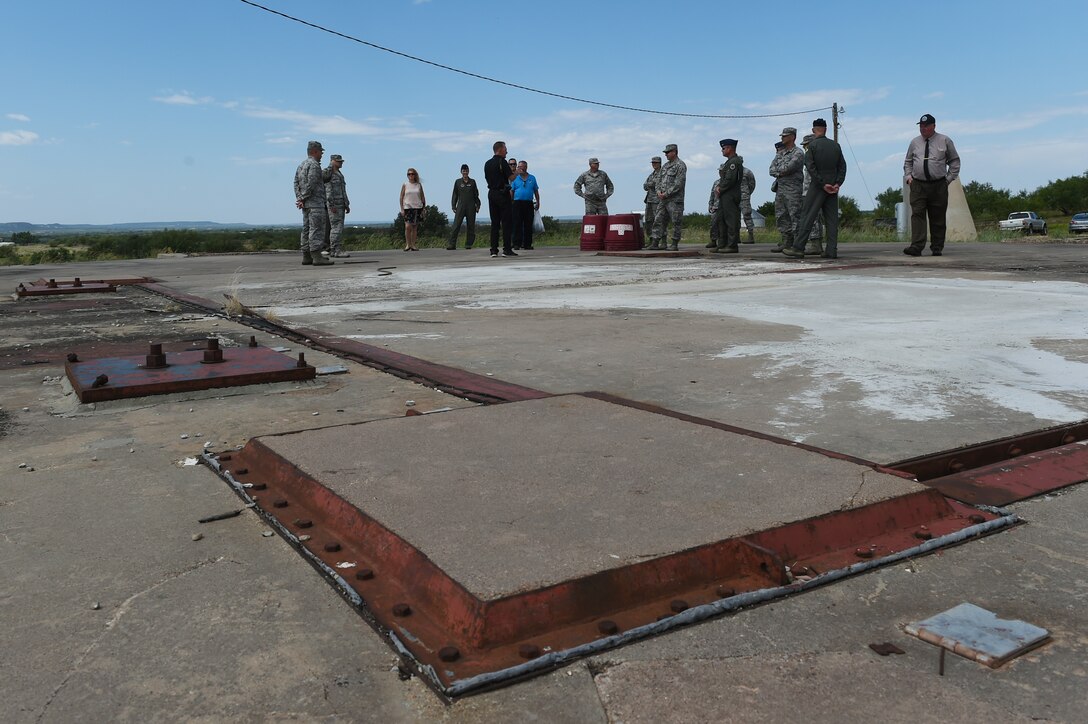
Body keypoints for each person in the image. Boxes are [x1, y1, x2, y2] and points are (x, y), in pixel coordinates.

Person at [783, 118, 847, 259]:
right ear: (826, 129)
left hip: (818, 187)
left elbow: (810, 167)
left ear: (813, 130)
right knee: (831, 220)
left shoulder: (812, 146)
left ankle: (798, 248)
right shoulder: (835, 146)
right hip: (833, 188)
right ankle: (831, 250)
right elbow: (842, 167)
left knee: (807, 216)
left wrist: (823, 184)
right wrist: (837, 183)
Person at [903, 113, 961, 257]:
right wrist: (909, 177)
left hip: (938, 185)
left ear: (934, 126)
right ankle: (916, 247)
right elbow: (908, 161)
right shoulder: (914, 142)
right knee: (917, 215)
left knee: (938, 217)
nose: (923, 129)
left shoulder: (945, 140)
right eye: (921, 126)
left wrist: (948, 179)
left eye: (926, 126)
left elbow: (954, 161)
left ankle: (937, 247)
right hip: (918, 185)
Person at [294, 140, 332, 266]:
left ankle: (306, 256)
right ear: (315, 151)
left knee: (306, 230)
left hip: (306, 205)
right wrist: (303, 198)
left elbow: (295, 183)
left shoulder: (301, 165)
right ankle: (316, 256)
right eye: (321, 151)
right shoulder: (314, 165)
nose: (322, 154)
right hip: (315, 204)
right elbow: (312, 183)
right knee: (317, 230)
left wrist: (300, 198)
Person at [768, 127, 804, 253]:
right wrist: (780, 172)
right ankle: (786, 242)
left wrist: (780, 171)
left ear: (792, 137)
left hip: (793, 190)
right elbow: (771, 169)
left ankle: (798, 245)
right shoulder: (780, 153)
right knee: (781, 216)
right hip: (780, 189)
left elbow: (788, 168)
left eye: (785, 136)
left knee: (795, 216)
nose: (782, 138)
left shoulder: (798, 153)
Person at [650, 144, 686, 250]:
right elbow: (658, 181)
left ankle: (674, 243)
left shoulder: (680, 165)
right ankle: (655, 242)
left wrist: (666, 193)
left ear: (674, 152)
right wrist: (658, 192)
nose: (666, 155)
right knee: (658, 220)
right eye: (665, 153)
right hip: (663, 199)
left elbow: (679, 183)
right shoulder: (665, 166)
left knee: (676, 221)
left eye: (668, 152)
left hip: (675, 200)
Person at [484, 141, 516, 257]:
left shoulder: (487, 163)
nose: (507, 151)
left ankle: (493, 250)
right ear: (500, 149)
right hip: (502, 194)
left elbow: (487, 178)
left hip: (491, 193)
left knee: (495, 223)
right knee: (506, 223)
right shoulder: (502, 162)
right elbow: (511, 177)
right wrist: (517, 172)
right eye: (505, 149)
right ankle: (507, 249)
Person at [712, 139, 744, 254]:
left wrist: (720, 188)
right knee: (721, 220)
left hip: (730, 194)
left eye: (724, 148)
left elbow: (730, 179)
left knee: (731, 220)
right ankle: (722, 244)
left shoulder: (734, 162)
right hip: (725, 195)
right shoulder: (729, 162)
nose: (722, 150)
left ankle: (732, 245)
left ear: (730, 148)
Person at [800, 134, 825, 256]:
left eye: (806, 145)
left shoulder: (814, 157)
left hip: (812, 191)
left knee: (813, 218)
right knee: (814, 218)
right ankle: (816, 243)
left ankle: (816, 244)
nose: (805, 148)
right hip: (808, 190)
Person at [446, 164, 480, 250]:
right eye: (463, 171)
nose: (465, 172)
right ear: (461, 172)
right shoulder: (458, 182)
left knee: (471, 226)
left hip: (471, 206)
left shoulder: (472, 182)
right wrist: (453, 205)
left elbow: (476, 194)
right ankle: (452, 244)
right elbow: (455, 194)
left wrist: (478, 205)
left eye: (466, 170)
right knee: (456, 225)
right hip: (461, 206)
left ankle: (468, 244)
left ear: (468, 171)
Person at [322, 154, 350, 258]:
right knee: (336, 228)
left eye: (341, 161)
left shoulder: (338, 173)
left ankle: (335, 249)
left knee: (338, 228)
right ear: (332, 161)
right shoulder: (328, 173)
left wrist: (346, 203)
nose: (341, 163)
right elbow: (328, 191)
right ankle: (335, 250)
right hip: (335, 205)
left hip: (341, 204)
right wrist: (331, 204)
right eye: (338, 161)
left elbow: (343, 190)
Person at [511, 161, 541, 251]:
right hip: (517, 203)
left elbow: (536, 190)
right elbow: (512, 190)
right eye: (518, 167)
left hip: (528, 203)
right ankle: (516, 244)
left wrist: (538, 201)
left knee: (528, 224)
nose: (519, 168)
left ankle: (527, 244)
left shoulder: (532, 178)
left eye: (521, 167)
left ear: (526, 167)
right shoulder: (515, 179)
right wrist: (511, 202)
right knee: (517, 224)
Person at [399, 168, 426, 252]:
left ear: (415, 175)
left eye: (412, 174)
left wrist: (424, 208)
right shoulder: (405, 184)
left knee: (414, 227)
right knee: (407, 226)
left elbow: (422, 196)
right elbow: (401, 196)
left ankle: (413, 245)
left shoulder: (418, 185)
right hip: (407, 207)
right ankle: (408, 244)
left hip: (417, 207)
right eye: (409, 174)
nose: (411, 176)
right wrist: (402, 208)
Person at [642, 156, 663, 249]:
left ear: (659, 163)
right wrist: (650, 184)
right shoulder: (651, 174)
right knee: (648, 221)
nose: (654, 164)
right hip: (649, 200)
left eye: (656, 163)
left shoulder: (662, 173)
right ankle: (651, 240)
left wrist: (650, 184)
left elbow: (655, 184)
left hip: (657, 201)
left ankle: (662, 241)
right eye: (653, 163)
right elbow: (645, 186)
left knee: (658, 221)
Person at [741, 165, 757, 243]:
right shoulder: (731, 170)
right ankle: (734, 237)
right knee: (733, 217)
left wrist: (747, 193)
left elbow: (752, 183)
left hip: (744, 196)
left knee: (747, 215)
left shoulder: (747, 172)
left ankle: (751, 236)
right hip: (733, 196)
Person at [707, 178, 722, 249]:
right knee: (713, 224)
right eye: (720, 171)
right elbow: (712, 194)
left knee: (723, 225)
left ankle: (722, 242)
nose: (720, 172)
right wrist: (710, 205)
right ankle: (713, 241)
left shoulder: (729, 181)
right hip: (715, 207)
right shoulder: (716, 182)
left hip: (725, 206)